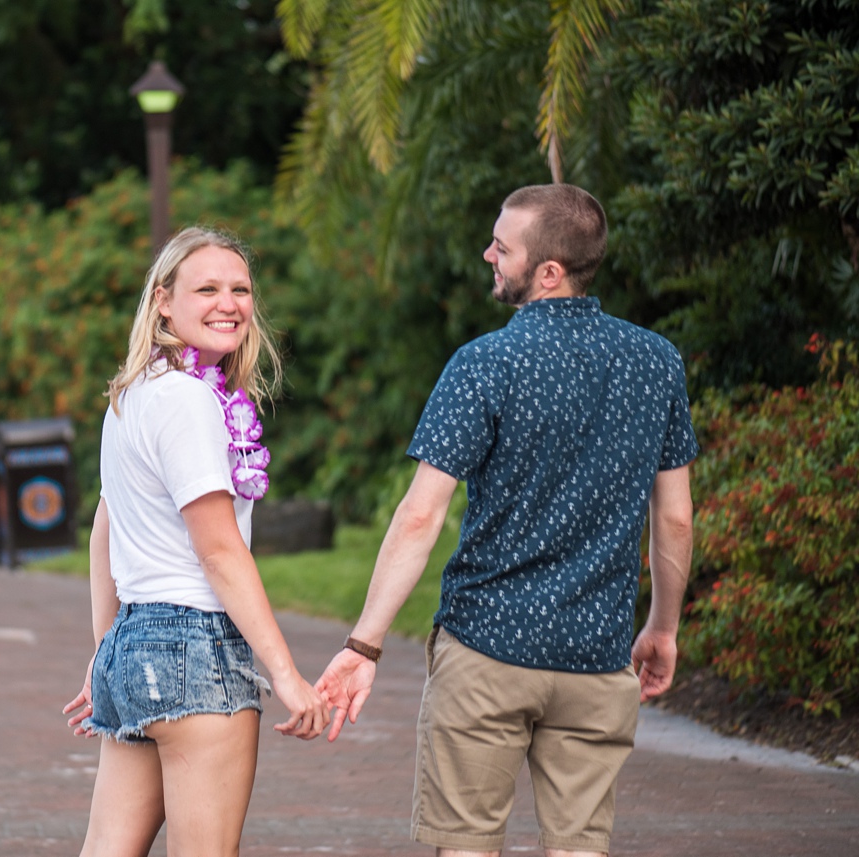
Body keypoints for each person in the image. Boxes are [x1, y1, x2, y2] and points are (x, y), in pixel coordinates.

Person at [316, 184, 698, 857]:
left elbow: (419, 516)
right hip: (597, 655)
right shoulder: (656, 362)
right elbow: (673, 520)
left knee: (464, 845)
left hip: (487, 650)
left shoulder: (485, 363)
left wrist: (365, 643)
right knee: (581, 848)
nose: (488, 253)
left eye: (503, 245)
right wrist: (662, 627)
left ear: (548, 271)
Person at [63, 226, 330, 857]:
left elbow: (108, 525)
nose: (229, 303)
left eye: (240, 289)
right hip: (194, 649)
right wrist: (286, 674)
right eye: (206, 288)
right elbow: (217, 550)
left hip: (137, 641)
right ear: (163, 300)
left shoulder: (133, 394)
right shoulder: (187, 401)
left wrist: (109, 650)